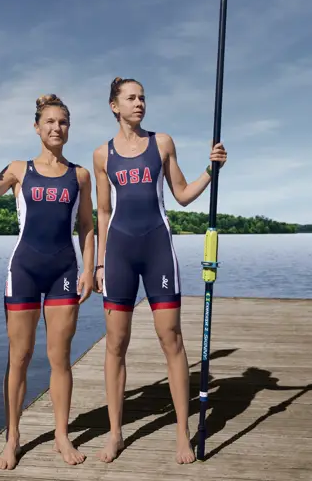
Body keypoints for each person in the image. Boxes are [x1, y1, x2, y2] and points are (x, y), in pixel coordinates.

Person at [93, 77, 227, 465]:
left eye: (143, 98)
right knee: (115, 343)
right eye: (131, 98)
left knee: (171, 338)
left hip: (157, 250)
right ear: (114, 106)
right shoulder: (101, 155)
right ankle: (116, 433)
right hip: (118, 251)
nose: (139, 103)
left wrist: (211, 169)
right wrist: (100, 262)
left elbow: (182, 195)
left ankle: (183, 434)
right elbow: (103, 212)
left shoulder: (162, 143)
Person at [0, 94, 95, 470]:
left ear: (69, 128)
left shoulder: (79, 175)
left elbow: (86, 226)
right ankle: (13, 438)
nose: (57, 128)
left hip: (64, 272)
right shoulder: (20, 169)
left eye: (63, 122)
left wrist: (89, 269)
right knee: (19, 356)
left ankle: (61, 435)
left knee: (60, 358)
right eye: (50, 122)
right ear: (37, 127)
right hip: (24, 270)